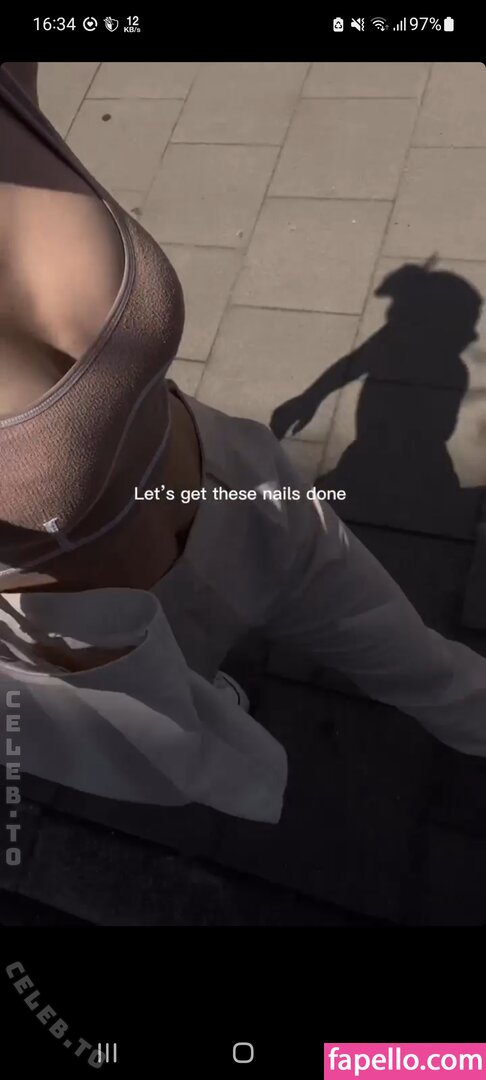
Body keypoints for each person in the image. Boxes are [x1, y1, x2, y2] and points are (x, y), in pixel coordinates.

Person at [0, 62, 485, 827]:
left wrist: (319, 391)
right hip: (94, 628)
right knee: (209, 744)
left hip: (233, 482)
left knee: (418, 659)